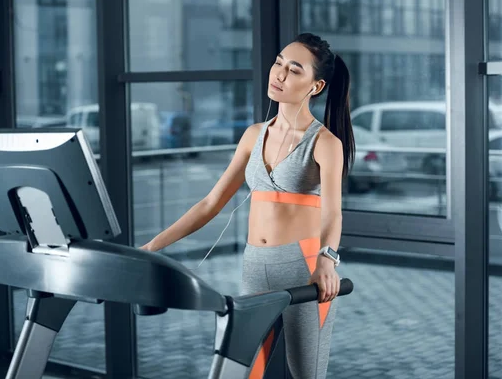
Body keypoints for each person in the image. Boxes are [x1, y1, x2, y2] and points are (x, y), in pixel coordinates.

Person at [141, 32, 355, 379]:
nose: (279, 74)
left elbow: (333, 212)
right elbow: (211, 202)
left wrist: (327, 261)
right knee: (246, 370)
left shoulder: (325, 142)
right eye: (279, 62)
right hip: (254, 263)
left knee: (306, 373)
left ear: (315, 86)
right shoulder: (254, 134)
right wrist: (154, 246)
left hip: (303, 266)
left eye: (294, 69)